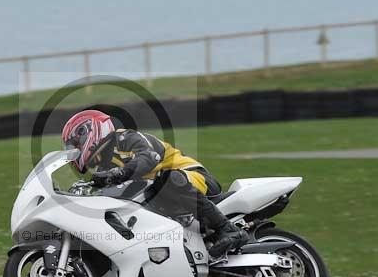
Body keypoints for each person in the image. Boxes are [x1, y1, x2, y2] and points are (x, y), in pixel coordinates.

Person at [61, 109, 250, 259]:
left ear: (89, 131)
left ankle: (228, 230)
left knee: (167, 180)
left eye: (75, 144)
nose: (75, 150)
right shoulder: (103, 165)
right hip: (164, 197)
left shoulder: (124, 138)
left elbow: (148, 158)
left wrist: (118, 174)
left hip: (192, 177)